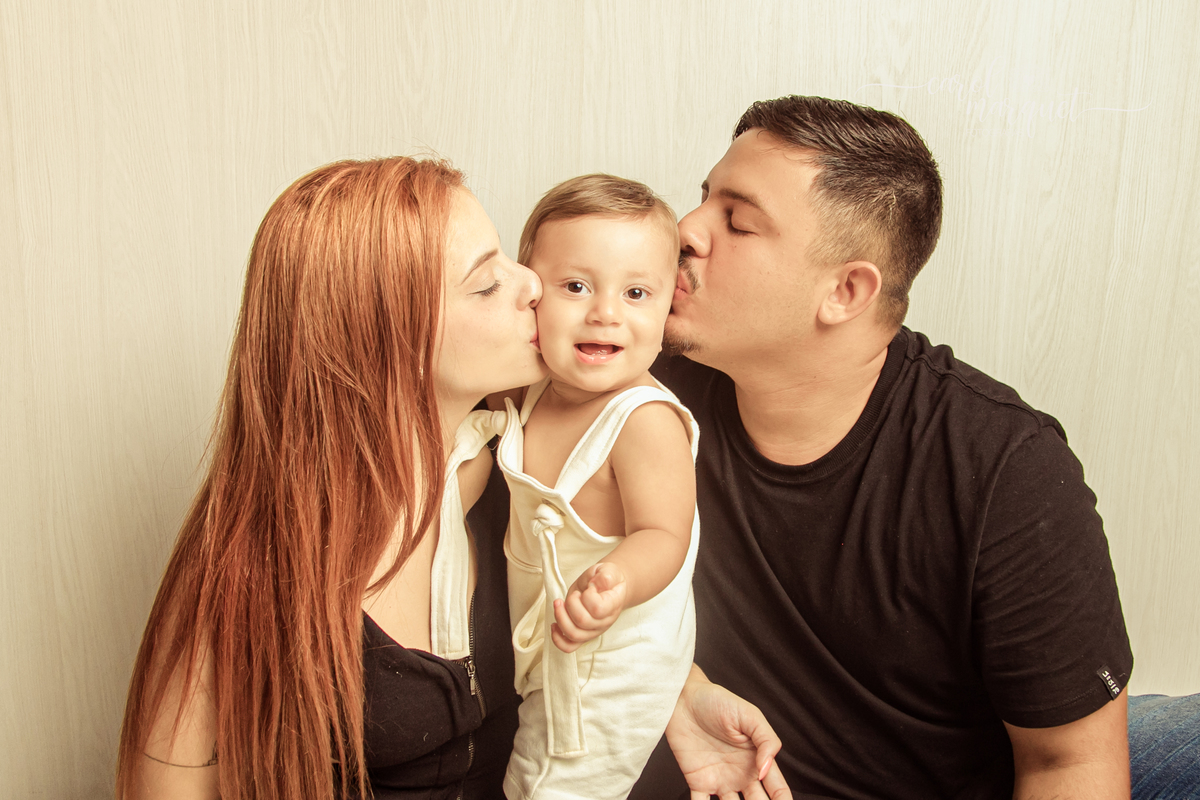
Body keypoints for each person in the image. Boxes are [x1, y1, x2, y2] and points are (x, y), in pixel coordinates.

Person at [631, 96, 1135, 799]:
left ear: (845, 291)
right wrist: (673, 680)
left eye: (737, 221)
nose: (685, 230)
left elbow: (1069, 764)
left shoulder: (1003, 470)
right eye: (703, 200)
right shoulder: (637, 381)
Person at [115, 157, 547, 800]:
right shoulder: (243, 559)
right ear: (384, 341)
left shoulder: (535, 472)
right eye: (486, 286)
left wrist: (686, 697)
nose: (534, 283)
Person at [492, 174, 703, 800]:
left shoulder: (643, 420)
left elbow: (666, 534)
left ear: (669, 308)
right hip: (547, 638)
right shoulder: (531, 394)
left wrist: (617, 583)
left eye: (636, 292)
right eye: (576, 286)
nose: (605, 312)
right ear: (532, 295)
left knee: (550, 785)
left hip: (615, 658)